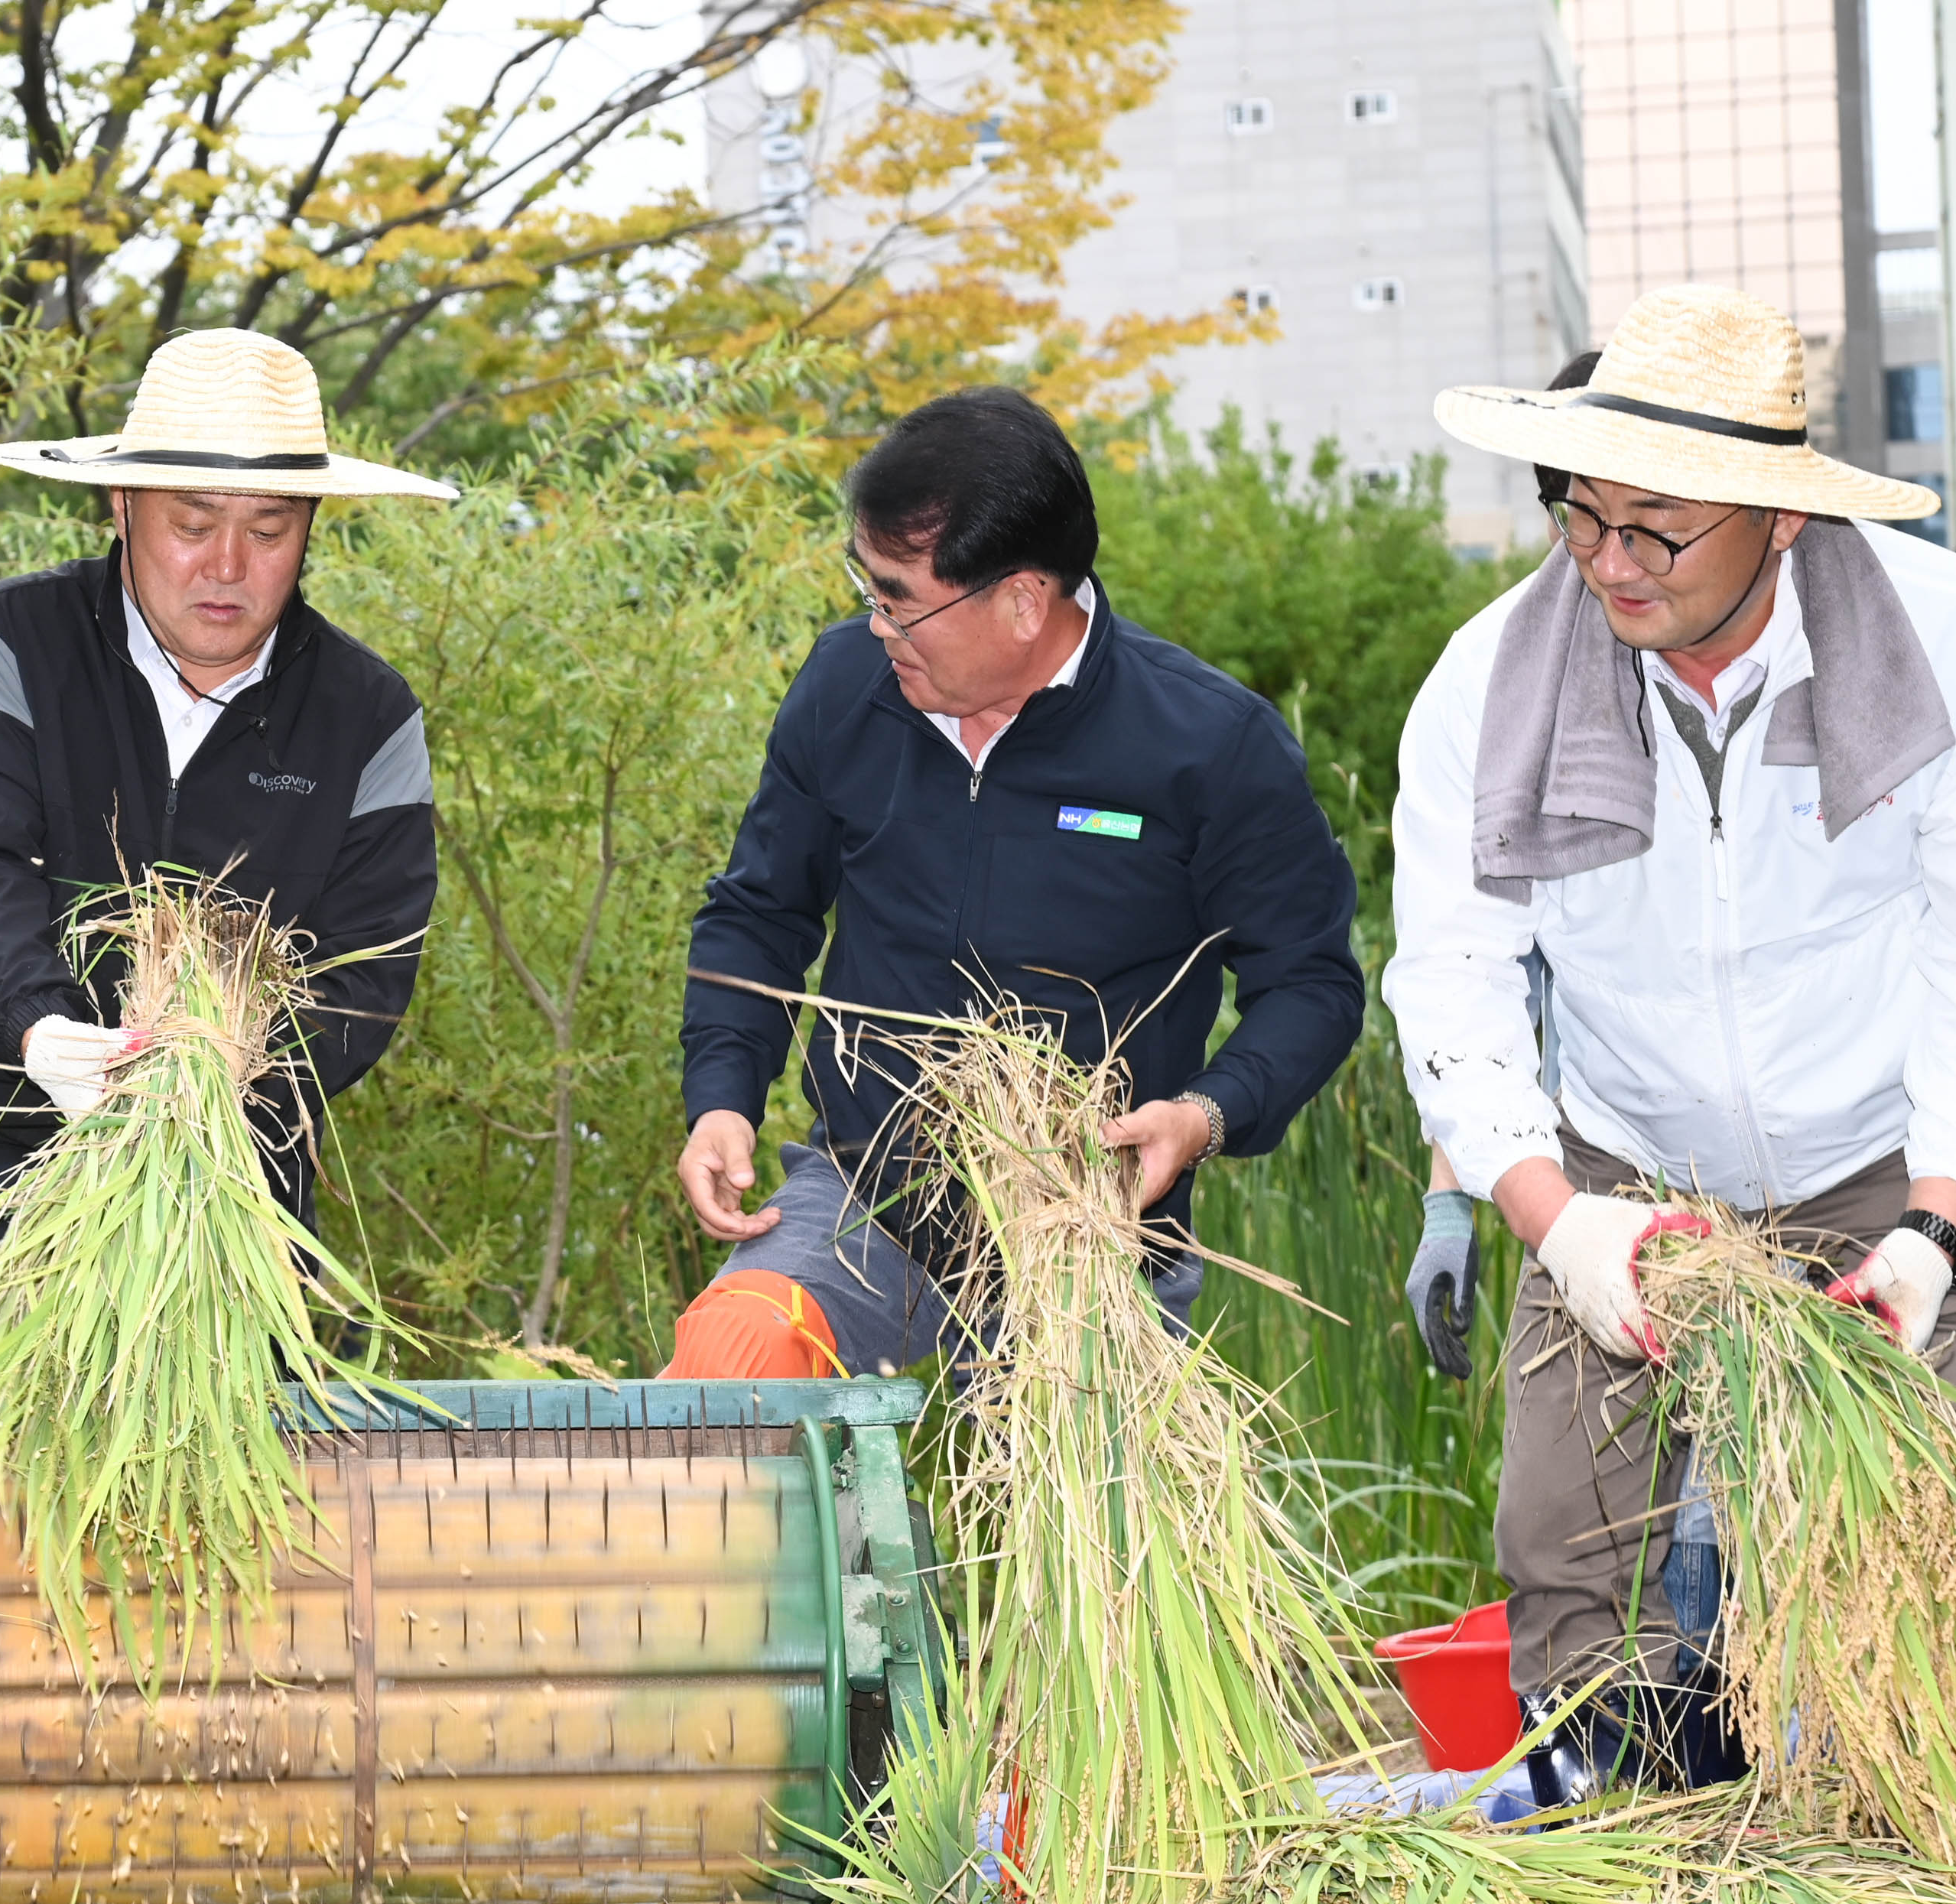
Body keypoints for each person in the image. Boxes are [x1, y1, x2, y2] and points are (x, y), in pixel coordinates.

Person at [1390, 283, 1956, 1804]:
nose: (1607, 565)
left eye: (1657, 530)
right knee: (1565, 1552)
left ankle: (1870, 1865)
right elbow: (1452, 973)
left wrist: (1930, 1230)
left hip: (1875, 1162)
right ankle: (1646, 1859)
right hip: (1627, 1176)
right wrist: (1548, 1215)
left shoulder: (1932, 647)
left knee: (1887, 1548)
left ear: (1775, 520)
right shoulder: (1488, 686)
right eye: (1584, 520)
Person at [670, 386, 1365, 1377]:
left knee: (1066, 1515)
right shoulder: (845, 691)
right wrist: (723, 1098)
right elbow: (759, 911)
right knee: (730, 1363)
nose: (875, 626)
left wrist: (1204, 1115)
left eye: (899, 598)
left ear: (1022, 599)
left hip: (1088, 1223)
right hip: (869, 1193)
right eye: (865, 589)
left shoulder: (1208, 746)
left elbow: (1312, 986)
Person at [0, 329, 450, 1285]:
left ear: (309, 523)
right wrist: (43, 1031)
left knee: (224, 1407)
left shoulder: (368, 716)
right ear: (121, 504)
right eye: (192, 525)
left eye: (268, 531)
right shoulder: (10, 644)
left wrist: (216, 1071)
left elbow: (366, 972)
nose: (227, 565)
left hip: (233, 1186)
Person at [1403, 351, 1601, 1383]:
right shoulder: (1491, 681)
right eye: (1568, 504)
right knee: (1600, 1532)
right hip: (1580, 1194)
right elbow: (1481, 978)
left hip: (1823, 1181)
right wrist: (1450, 1203)